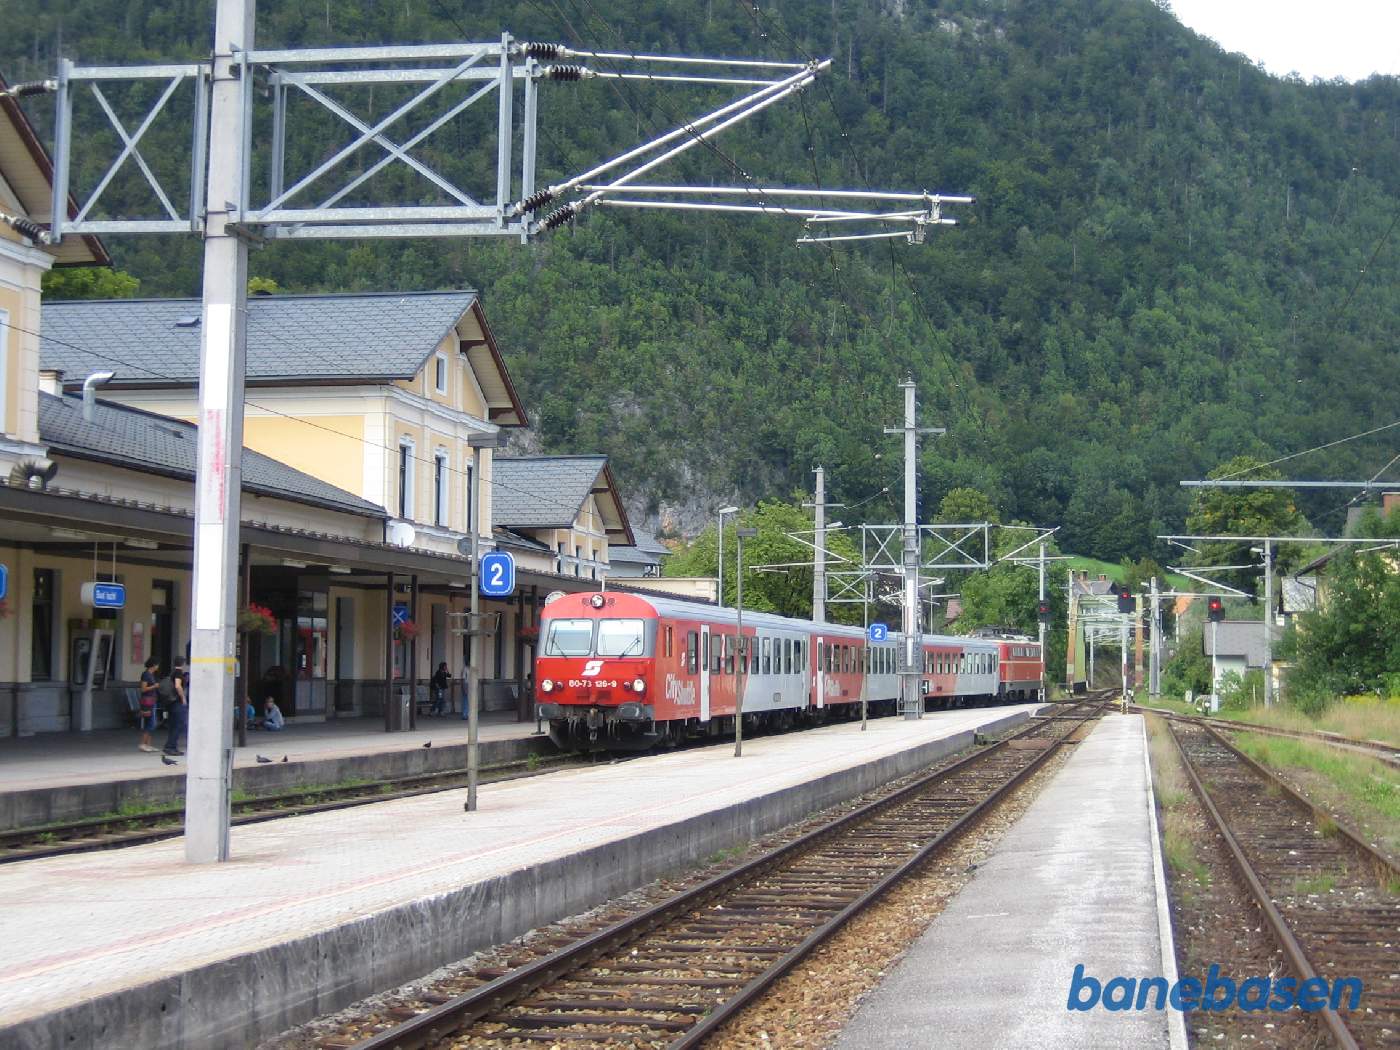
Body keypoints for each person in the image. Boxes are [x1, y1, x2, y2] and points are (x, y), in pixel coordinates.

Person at [162, 658, 188, 756]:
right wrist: (183, 698)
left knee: (173, 725)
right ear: (183, 663)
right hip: (177, 702)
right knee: (178, 725)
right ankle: (171, 747)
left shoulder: (172, 672)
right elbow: (178, 686)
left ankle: (170, 745)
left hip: (171, 702)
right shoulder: (178, 673)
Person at [137, 657, 160, 752]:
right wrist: (154, 686)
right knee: (151, 723)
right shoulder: (146, 674)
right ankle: (142, 743)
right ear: (153, 665)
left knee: (149, 722)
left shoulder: (151, 675)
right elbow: (143, 688)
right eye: (157, 665)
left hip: (152, 700)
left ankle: (148, 745)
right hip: (147, 701)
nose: (158, 667)